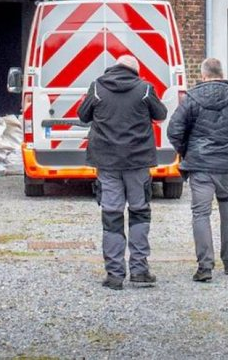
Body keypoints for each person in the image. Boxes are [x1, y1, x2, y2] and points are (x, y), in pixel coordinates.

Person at [78, 54, 167, 290]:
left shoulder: (97, 87)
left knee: (112, 216)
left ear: (115, 67)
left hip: (106, 162)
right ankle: (139, 271)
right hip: (137, 162)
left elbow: (82, 115)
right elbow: (161, 114)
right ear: (134, 70)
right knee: (139, 213)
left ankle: (115, 275)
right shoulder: (145, 89)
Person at [167, 58, 228, 282]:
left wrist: (186, 151)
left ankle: (205, 267)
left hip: (200, 167)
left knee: (201, 214)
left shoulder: (191, 99)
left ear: (203, 75)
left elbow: (174, 130)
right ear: (222, 73)